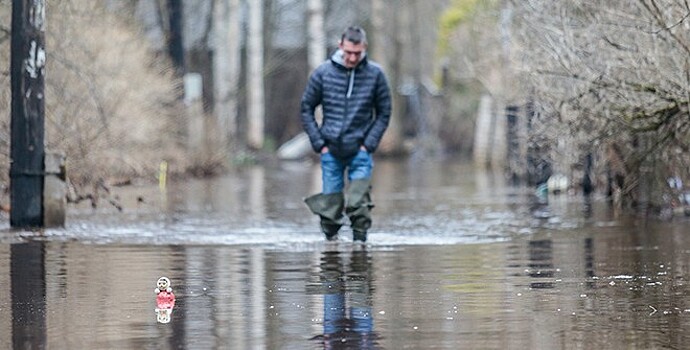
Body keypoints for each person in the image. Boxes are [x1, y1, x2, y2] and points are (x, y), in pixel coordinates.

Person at [301, 26, 392, 242]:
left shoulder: (375, 75)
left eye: (357, 53)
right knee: (330, 213)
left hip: (360, 150)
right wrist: (319, 143)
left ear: (364, 48)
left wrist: (368, 144)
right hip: (330, 150)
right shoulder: (323, 73)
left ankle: (360, 252)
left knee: (358, 205)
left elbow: (384, 112)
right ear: (341, 46)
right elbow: (306, 108)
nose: (352, 57)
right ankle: (330, 252)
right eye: (349, 52)